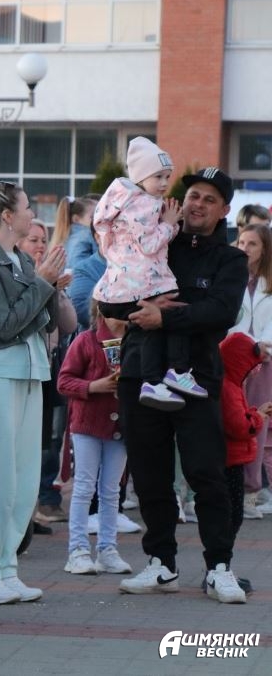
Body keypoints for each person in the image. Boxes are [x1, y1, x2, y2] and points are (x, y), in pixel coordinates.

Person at [115, 166, 248, 603]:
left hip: (197, 380)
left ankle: (219, 567)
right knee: (150, 476)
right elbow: (110, 296)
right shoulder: (153, 242)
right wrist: (143, 305)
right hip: (139, 373)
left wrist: (164, 316)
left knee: (206, 474)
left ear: (224, 210)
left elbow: (221, 313)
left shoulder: (230, 260)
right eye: (193, 195)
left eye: (210, 199)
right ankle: (161, 564)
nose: (198, 204)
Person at [0, 177, 64, 604]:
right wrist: (43, 283)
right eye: (26, 208)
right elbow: (4, 324)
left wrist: (47, 285)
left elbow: (41, 320)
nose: (32, 215)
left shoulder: (19, 258)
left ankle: (5, 568)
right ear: (7, 215)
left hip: (27, 371)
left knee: (21, 481)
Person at [93, 137, 204, 411]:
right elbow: (150, 244)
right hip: (140, 284)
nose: (165, 183)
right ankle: (174, 372)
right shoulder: (144, 204)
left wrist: (168, 226)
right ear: (141, 177)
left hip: (121, 287)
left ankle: (154, 380)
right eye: (158, 176)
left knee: (154, 323)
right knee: (173, 313)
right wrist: (170, 223)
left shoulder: (126, 202)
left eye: (167, 176)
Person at [57, 302, 132, 576]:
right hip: (87, 425)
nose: (123, 318)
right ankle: (77, 550)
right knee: (84, 487)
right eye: (117, 311)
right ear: (101, 311)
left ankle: (107, 549)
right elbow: (64, 381)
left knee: (111, 490)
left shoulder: (135, 341)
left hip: (120, 427)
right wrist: (93, 386)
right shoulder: (86, 340)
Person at [18, 221, 77, 525]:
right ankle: (25, 515)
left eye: (44, 240)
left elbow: (68, 324)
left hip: (49, 366)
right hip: (22, 369)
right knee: (23, 444)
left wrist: (59, 292)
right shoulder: (17, 275)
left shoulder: (51, 278)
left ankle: (34, 511)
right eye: (33, 240)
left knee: (48, 440)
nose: (40, 246)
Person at [218, 331, 272, 599]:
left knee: (232, 517)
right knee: (230, 518)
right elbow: (239, 426)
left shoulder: (231, 383)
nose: (254, 371)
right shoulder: (228, 388)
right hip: (230, 461)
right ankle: (220, 567)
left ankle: (223, 566)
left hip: (232, 459)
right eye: (251, 365)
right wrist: (257, 416)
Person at [229, 223, 272, 518]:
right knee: (234, 422)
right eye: (241, 242)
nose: (244, 248)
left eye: (252, 243)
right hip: (234, 358)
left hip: (265, 360)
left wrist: (265, 345)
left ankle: (250, 493)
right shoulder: (230, 276)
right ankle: (233, 489)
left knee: (258, 424)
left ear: (265, 249)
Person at [50, 195, 99, 272]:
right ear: (76, 219)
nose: (97, 220)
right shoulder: (89, 234)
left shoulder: (63, 237)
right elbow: (101, 259)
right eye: (92, 217)